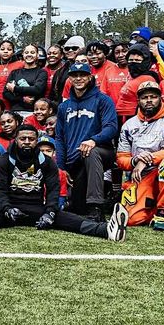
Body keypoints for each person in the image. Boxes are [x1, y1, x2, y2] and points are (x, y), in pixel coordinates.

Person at [0, 124, 127, 241]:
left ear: (36, 141)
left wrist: (50, 213)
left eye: (31, 139)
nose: (27, 142)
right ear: (16, 140)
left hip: (38, 209)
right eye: (23, 139)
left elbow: (53, 191)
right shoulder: (3, 162)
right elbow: (0, 191)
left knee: (71, 220)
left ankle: (107, 231)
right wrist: (7, 209)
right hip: (10, 209)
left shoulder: (47, 162)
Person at [116, 81, 164, 230]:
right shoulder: (129, 125)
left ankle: (163, 211)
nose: (149, 100)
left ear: (161, 98)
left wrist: (147, 159)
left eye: (153, 97)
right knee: (131, 219)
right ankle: (152, 207)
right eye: (145, 97)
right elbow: (121, 159)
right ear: (138, 100)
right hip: (141, 176)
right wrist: (135, 160)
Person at [53, 58, 118, 219]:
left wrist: (94, 140)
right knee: (78, 207)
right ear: (70, 78)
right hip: (75, 160)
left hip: (101, 151)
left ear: (90, 77)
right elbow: (59, 138)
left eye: (82, 75)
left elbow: (111, 127)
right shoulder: (64, 107)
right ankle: (81, 203)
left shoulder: (102, 100)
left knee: (91, 152)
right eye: (75, 75)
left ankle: (96, 206)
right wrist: (61, 167)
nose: (78, 78)